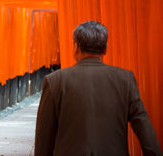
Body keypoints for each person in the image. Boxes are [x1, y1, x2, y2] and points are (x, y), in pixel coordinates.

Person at [34, 20, 161, 156]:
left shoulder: (55, 81)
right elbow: (143, 126)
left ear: (76, 47)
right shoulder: (125, 79)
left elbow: (44, 135)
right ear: (105, 48)